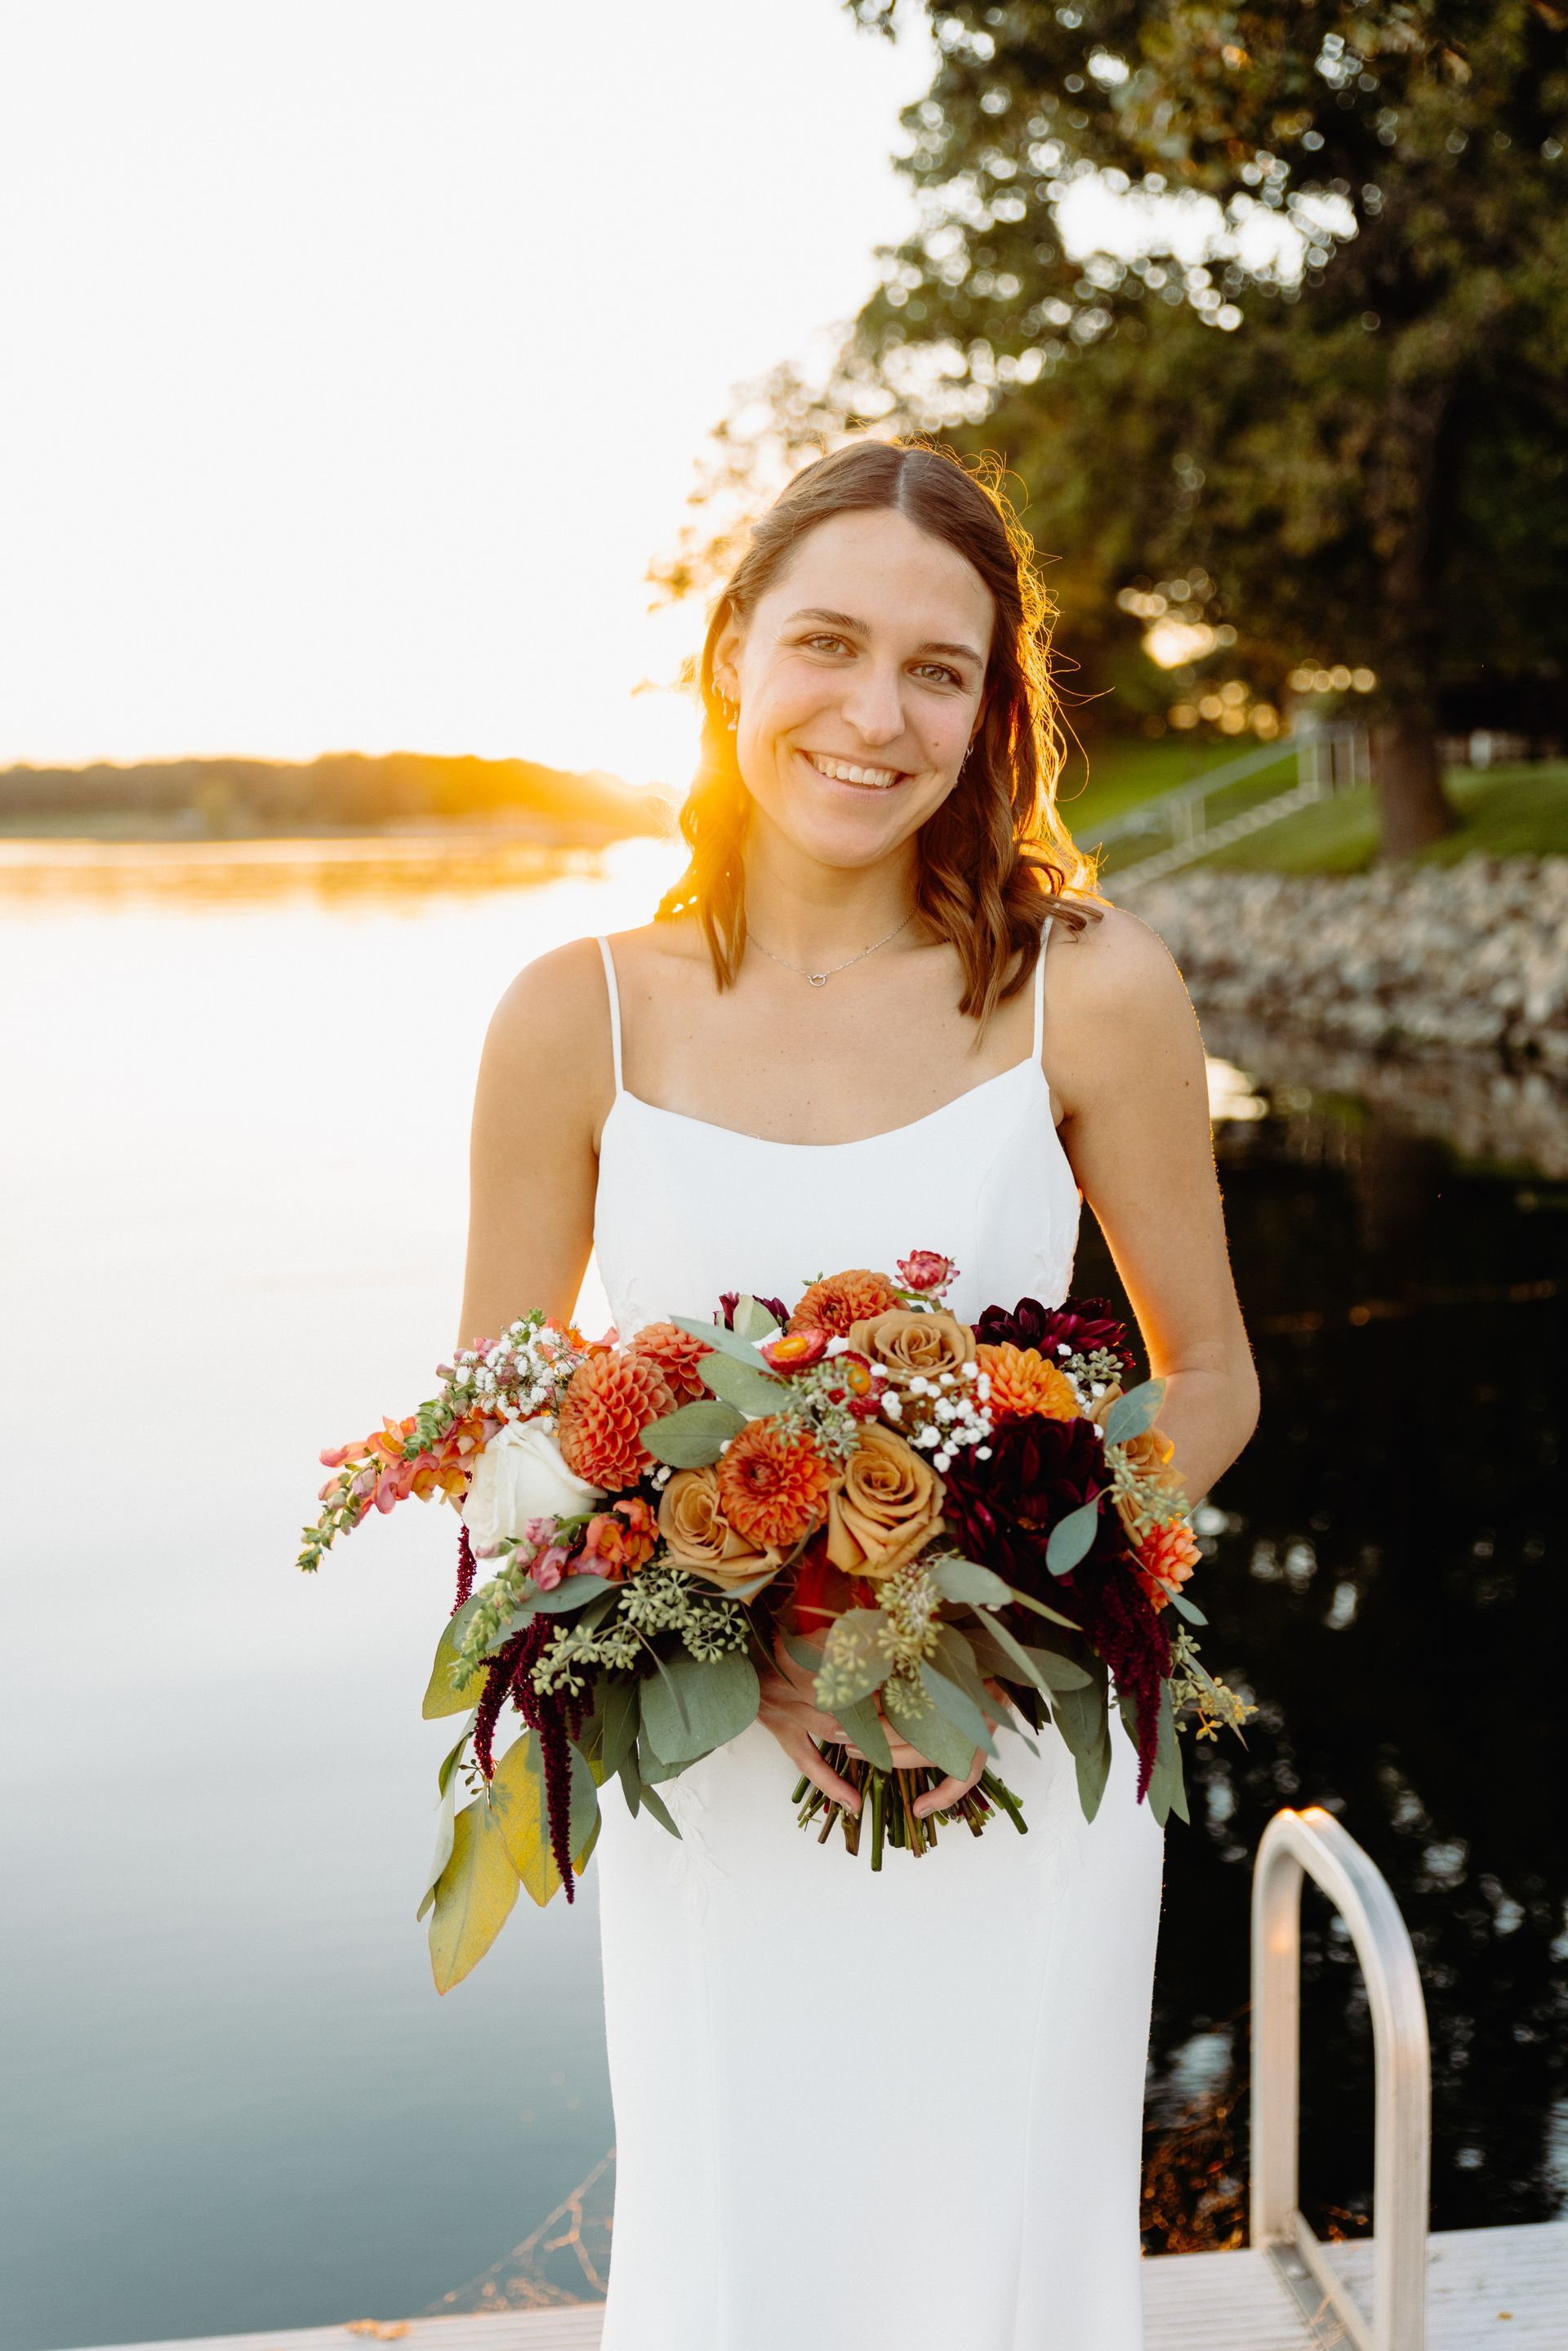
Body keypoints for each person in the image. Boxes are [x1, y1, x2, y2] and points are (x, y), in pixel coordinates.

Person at [458, 439, 1260, 2350]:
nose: (874, 716)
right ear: (731, 651)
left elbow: (1209, 1376)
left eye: (939, 669)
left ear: (991, 714)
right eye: (827, 643)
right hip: (720, 1773)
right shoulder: (576, 1012)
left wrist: (990, 1594)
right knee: (747, 2253)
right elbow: (496, 1419)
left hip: (1018, 1752)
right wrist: (765, 1621)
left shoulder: (1090, 988)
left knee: (1004, 2261)